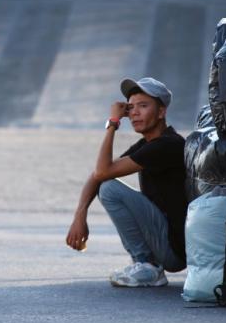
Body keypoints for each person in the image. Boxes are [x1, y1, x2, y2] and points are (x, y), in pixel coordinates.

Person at [66, 77, 188, 287]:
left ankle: (147, 265)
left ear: (161, 112)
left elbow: (103, 172)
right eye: (130, 108)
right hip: (165, 240)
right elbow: (98, 174)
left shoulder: (168, 145)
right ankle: (147, 264)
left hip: (174, 248)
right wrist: (80, 214)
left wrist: (113, 123)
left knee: (110, 189)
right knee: (106, 183)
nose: (134, 113)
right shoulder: (149, 144)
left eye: (143, 106)